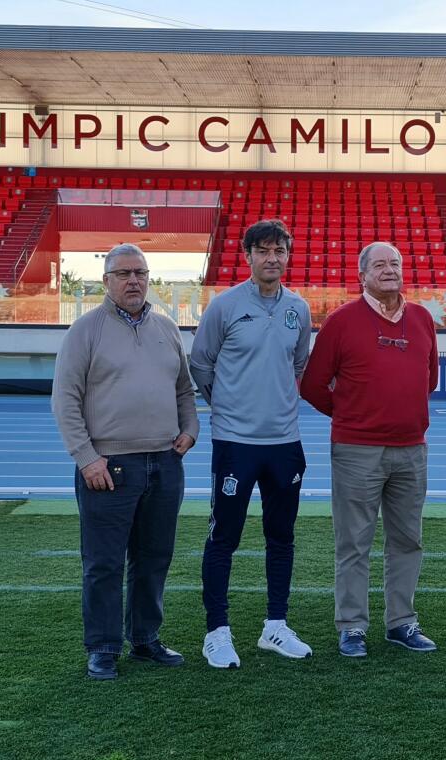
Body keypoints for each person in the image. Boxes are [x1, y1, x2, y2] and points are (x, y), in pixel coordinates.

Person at [52, 243, 199, 680]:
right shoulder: (85, 331)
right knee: (104, 563)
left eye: (140, 272)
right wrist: (86, 458)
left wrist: (190, 429)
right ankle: (102, 646)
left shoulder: (167, 327)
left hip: (164, 463)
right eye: (123, 274)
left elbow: (184, 391)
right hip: (108, 468)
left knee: (154, 558)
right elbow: (65, 400)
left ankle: (145, 639)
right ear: (107, 282)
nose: (133, 280)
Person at [300, 241, 439, 657]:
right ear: (362, 275)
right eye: (379, 264)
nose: (389, 270)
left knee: (407, 541)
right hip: (357, 451)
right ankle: (352, 626)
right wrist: (351, 414)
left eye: (395, 263)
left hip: (411, 449)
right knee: (354, 542)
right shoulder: (341, 321)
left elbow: (428, 380)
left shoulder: (421, 318)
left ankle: (402, 622)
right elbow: (312, 386)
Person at [190, 220, 313, 668]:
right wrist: (228, 406)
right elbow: (201, 365)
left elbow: (297, 363)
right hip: (235, 444)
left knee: (281, 537)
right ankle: (217, 632)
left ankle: (275, 627)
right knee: (224, 536)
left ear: (288, 254)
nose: (272, 258)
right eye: (263, 250)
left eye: (279, 250)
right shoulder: (224, 307)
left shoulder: (298, 309)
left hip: (284, 443)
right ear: (247, 256)